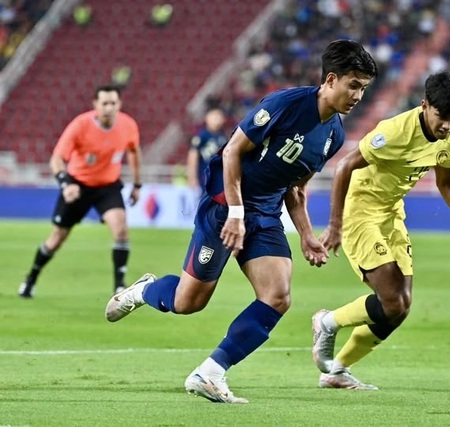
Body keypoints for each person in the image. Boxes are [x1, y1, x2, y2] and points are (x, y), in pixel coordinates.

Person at [105, 40, 378, 404]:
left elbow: (295, 188)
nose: (359, 95)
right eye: (354, 85)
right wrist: (234, 213)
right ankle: (143, 291)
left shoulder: (334, 135)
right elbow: (233, 150)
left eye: (364, 88)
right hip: (224, 206)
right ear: (331, 79)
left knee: (278, 296)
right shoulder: (285, 105)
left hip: (264, 214)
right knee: (188, 302)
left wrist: (307, 235)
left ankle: (209, 373)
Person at [311, 70, 450, 390]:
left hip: (392, 212)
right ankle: (327, 322)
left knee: (400, 308)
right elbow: (344, 166)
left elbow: (446, 183)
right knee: (391, 300)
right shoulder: (394, 132)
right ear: (425, 105)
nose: (448, 126)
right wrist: (335, 225)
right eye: (443, 117)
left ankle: (337, 370)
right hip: (361, 211)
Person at [18, 84, 143, 298]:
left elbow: (134, 151)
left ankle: (120, 287)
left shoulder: (128, 125)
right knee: (57, 238)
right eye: (104, 103)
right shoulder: (80, 125)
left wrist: (137, 185)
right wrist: (66, 184)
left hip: (107, 186)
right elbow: (57, 159)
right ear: (95, 104)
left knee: (121, 229)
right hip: (78, 186)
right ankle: (31, 278)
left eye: (113, 103)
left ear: (119, 104)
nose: (109, 107)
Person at [187, 106, 227, 194]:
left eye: (220, 116)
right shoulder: (202, 136)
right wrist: (192, 177)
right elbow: (193, 155)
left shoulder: (223, 136)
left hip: (220, 178)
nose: (217, 118)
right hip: (206, 177)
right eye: (214, 116)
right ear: (207, 118)